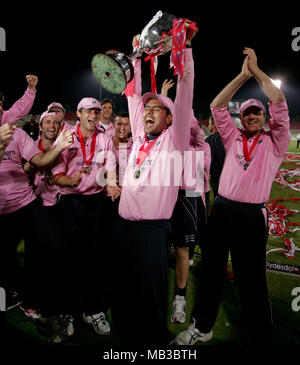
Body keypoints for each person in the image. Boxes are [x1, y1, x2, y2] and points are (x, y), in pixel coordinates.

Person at [174, 47, 290, 345]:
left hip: (252, 215)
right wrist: (242, 76)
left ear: (265, 117)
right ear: (241, 116)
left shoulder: (276, 141)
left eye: (257, 112)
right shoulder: (232, 136)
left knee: (252, 279)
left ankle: (260, 335)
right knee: (212, 272)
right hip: (222, 210)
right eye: (247, 112)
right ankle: (203, 326)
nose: (251, 116)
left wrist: (257, 70)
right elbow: (216, 106)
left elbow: (278, 99)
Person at [111, 25, 196, 346]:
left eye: (155, 108)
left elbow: (185, 90)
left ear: (171, 118)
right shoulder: (139, 136)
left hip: (152, 232)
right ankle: (125, 340)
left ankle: (153, 345)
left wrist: (184, 49)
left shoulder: (174, 141)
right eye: (146, 108)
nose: (146, 111)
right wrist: (134, 57)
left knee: (149, 296)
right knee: (122, 290)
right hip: (123, 228)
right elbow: (133, 95)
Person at [0, 118, 74, 341]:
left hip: (26, 202)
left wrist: (59, 146)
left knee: (56, 245)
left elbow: (40, 160)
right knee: (4, 267)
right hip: (2, 213)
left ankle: (50, 311)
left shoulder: (16, 133)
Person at [52, 97, 120, 336]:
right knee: (69, 260)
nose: (94, 115)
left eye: (97, 111)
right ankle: (67, 312)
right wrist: (69, 181)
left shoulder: (103, 137)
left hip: (95, 202)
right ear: (78, 113)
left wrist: (111, 183)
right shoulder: (66, 136)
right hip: (70, 202)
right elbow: (55, 175)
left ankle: (94, 310)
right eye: (89, 111)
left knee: (96, 259)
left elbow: (110, 162)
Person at [205, 114, 226, 199]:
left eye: (209, 123)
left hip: (218, 178)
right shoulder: (231, 138)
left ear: (214, 125)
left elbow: (206, 163)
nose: (208, 126)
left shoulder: (210, 140)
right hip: (233, 179)